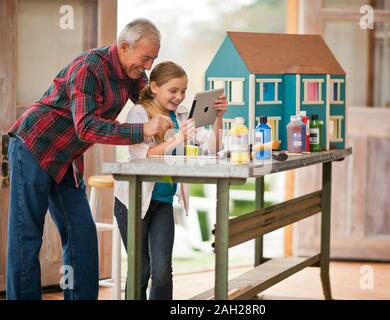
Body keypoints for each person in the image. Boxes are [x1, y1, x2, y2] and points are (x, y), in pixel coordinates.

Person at [6, 18, 174, 300]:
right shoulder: (89, 67)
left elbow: (153, 99)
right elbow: (86, 126)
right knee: (27, 239)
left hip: (66, 159)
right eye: (145, 58)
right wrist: (142, 129)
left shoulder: (133, 75)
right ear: (124, 47)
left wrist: (191, 107)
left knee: (82, 235)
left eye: (152, 60)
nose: (147, 67)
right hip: (33, 147)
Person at [113, 61, 228, 300]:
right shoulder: (139, 112)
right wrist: (178, 139)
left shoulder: (184, 114)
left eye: (184, 91)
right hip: (134, 202)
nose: (179, 97)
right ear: (154, 87)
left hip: (163, 202)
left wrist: (218, 118)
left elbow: (212, 146)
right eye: (173, 91)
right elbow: (140, 154)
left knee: (163, 270)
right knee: (141, 269)